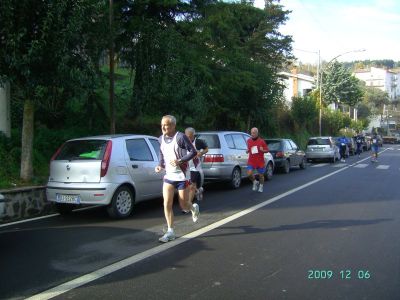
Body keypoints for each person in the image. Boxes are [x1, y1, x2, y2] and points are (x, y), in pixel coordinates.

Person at [155, 115, 200, 243]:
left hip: (181, 176)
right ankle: (170, 231)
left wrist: (180, 160)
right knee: (166, 204)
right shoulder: (160, 139)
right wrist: (160, 165)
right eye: (162, 124)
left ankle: (193, 208)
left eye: (166, 125)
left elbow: (193, 152)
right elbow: (161, 153)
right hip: (169, 176)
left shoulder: (180, 137)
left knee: (184, 206)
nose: (163, 127)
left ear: (173, 126)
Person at [185, 127, 209, 203]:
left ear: (193, 135)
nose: (189, 138)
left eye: (190, 136)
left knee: (192, 185)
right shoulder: (182, 142)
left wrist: (201, 153)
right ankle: (198, 190)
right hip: (185, 167)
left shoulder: (198, 142)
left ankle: (188, 204)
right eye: (187, 136)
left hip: (195, 168)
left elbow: (207, 149)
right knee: (188, 186)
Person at [246, 127, 269, 193]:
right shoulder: (249, 141)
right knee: (249, 174)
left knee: (261, 176)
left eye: (253, 133)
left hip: (259, 162)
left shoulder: (261, 141)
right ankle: (255, 182)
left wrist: (263, 150)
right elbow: (249, 148)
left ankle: (261, 186)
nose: (252, 134)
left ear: (257, 133)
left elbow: (267, 150)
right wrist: (247, 150)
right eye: (251, 133)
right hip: (251, 161)